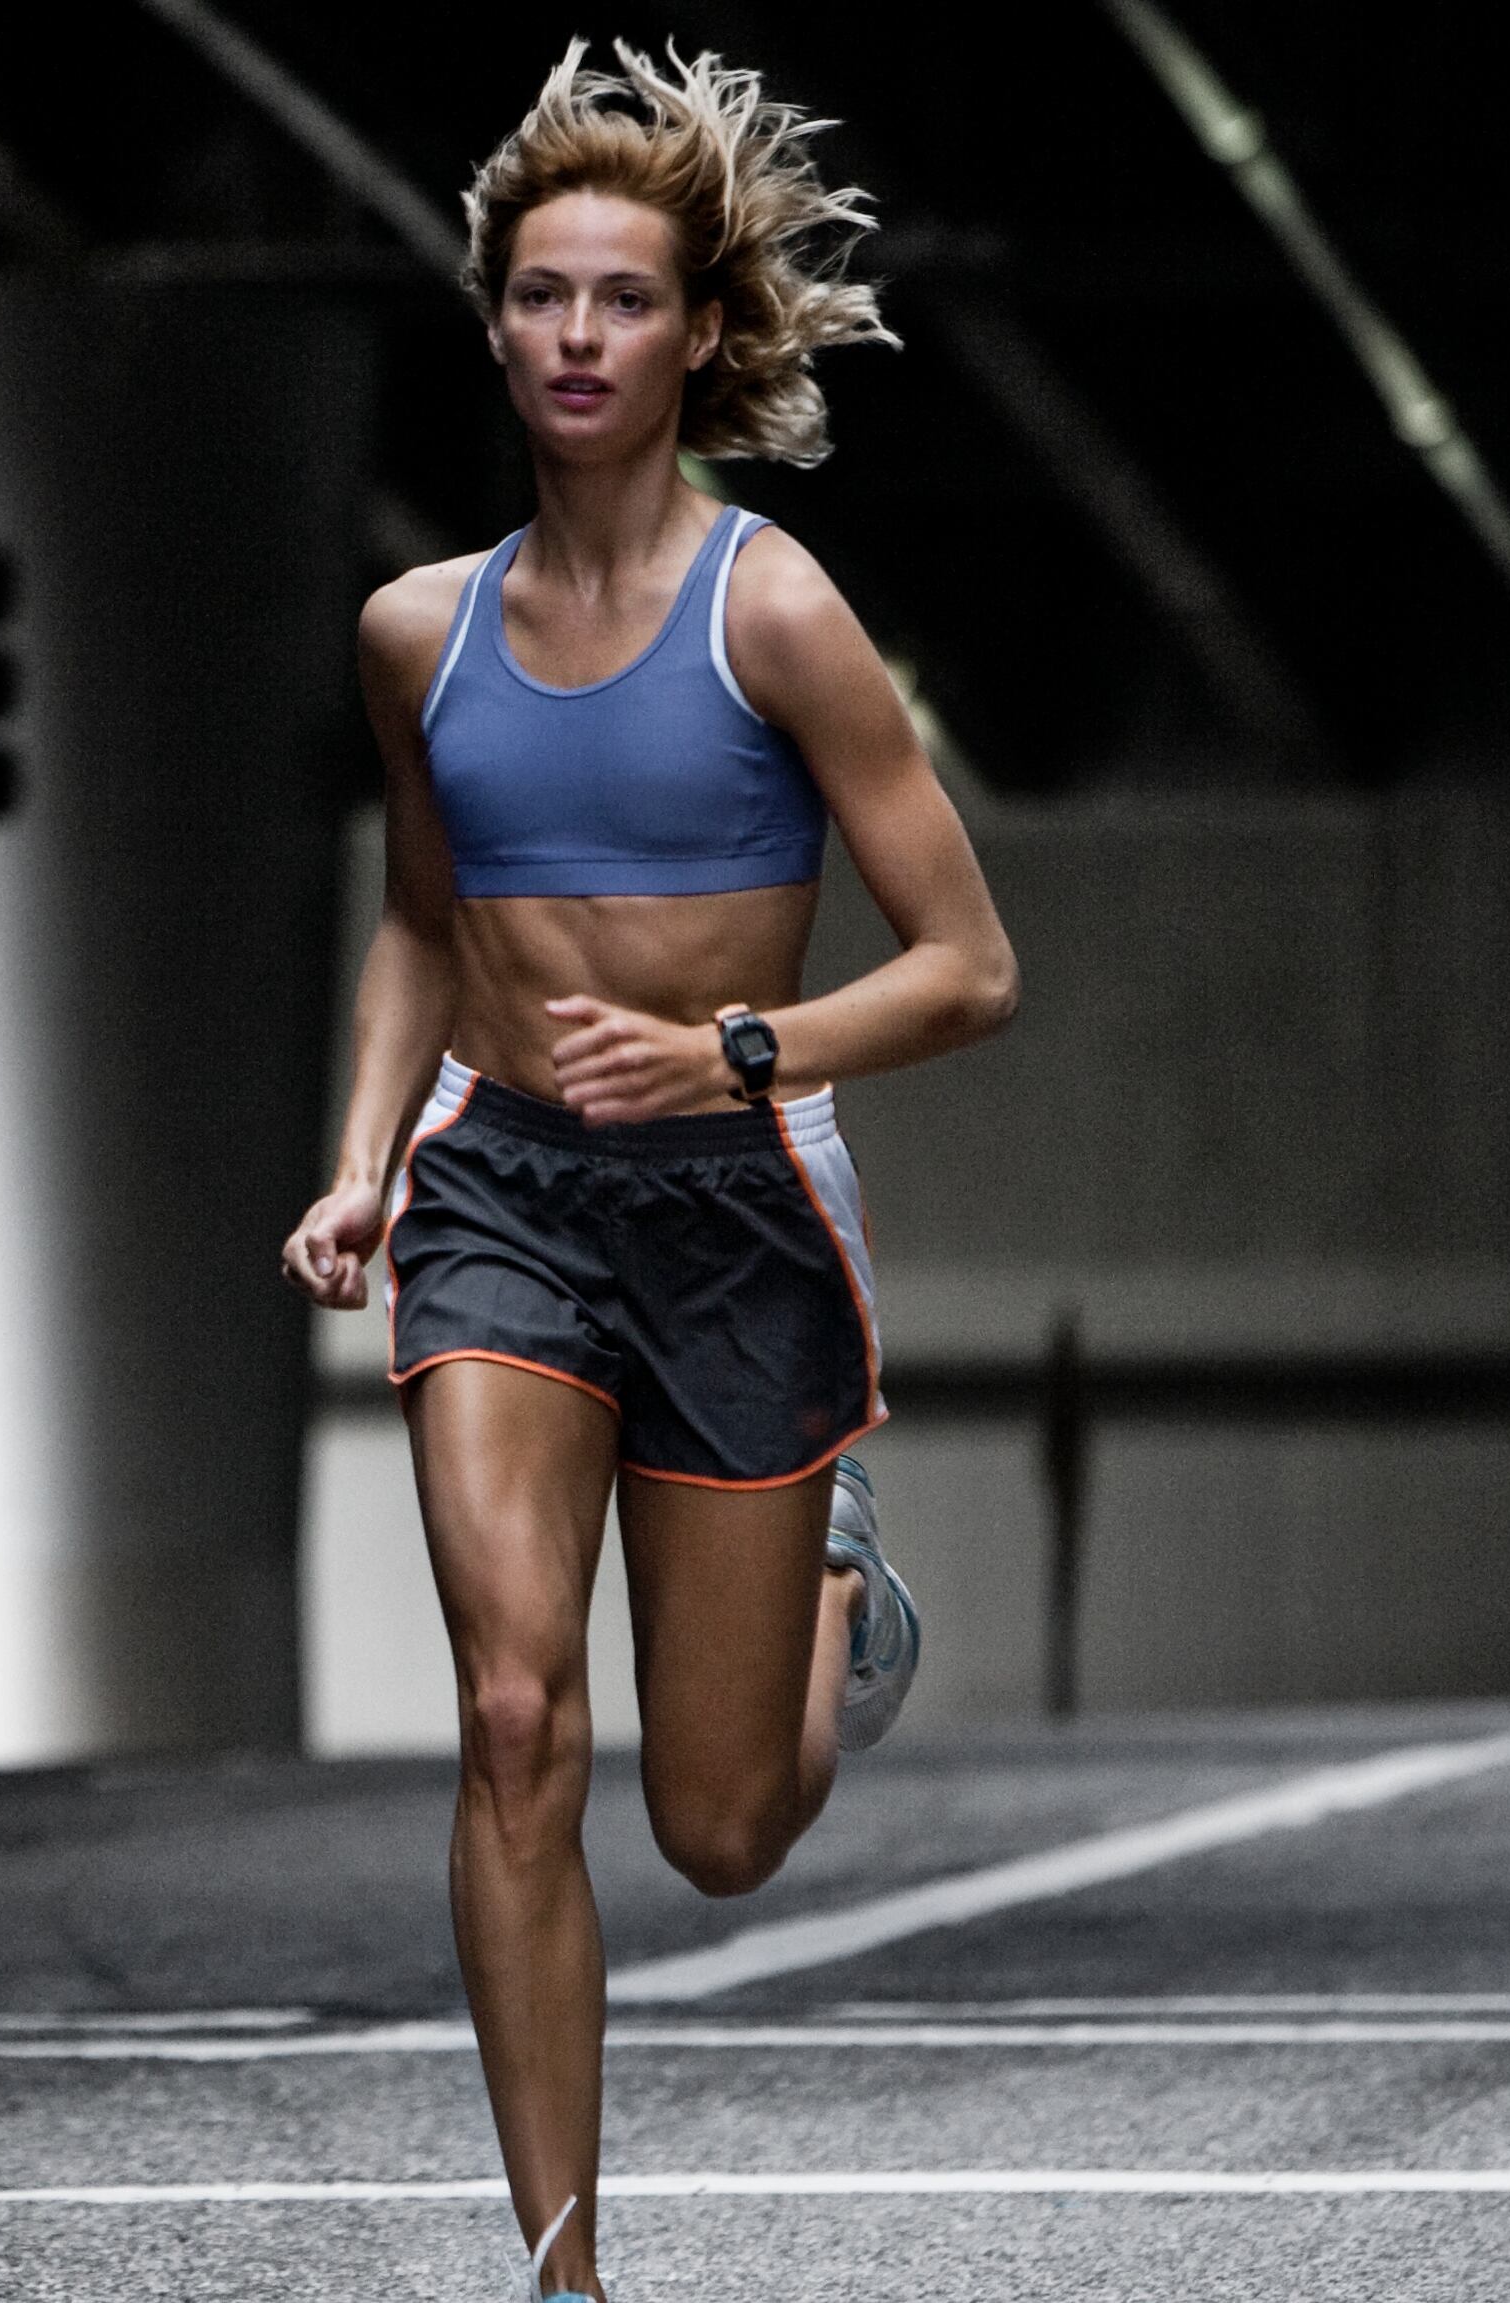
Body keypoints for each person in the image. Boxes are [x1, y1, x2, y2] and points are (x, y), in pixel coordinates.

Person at [282, 42, 1019, 2303]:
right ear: (494, 324)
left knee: (716, 1829)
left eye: (623, 299)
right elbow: (424, 920)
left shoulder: (772, 613)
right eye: (540, 296)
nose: (578, 335)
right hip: (499, 1194)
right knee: (512, 1712)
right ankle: (563, 2270)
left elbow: (968, 967)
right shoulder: (418, 630)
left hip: (734, 1202)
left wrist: (731, 1050)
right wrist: (360, 1164)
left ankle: (833, 1597)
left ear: (698, 332)